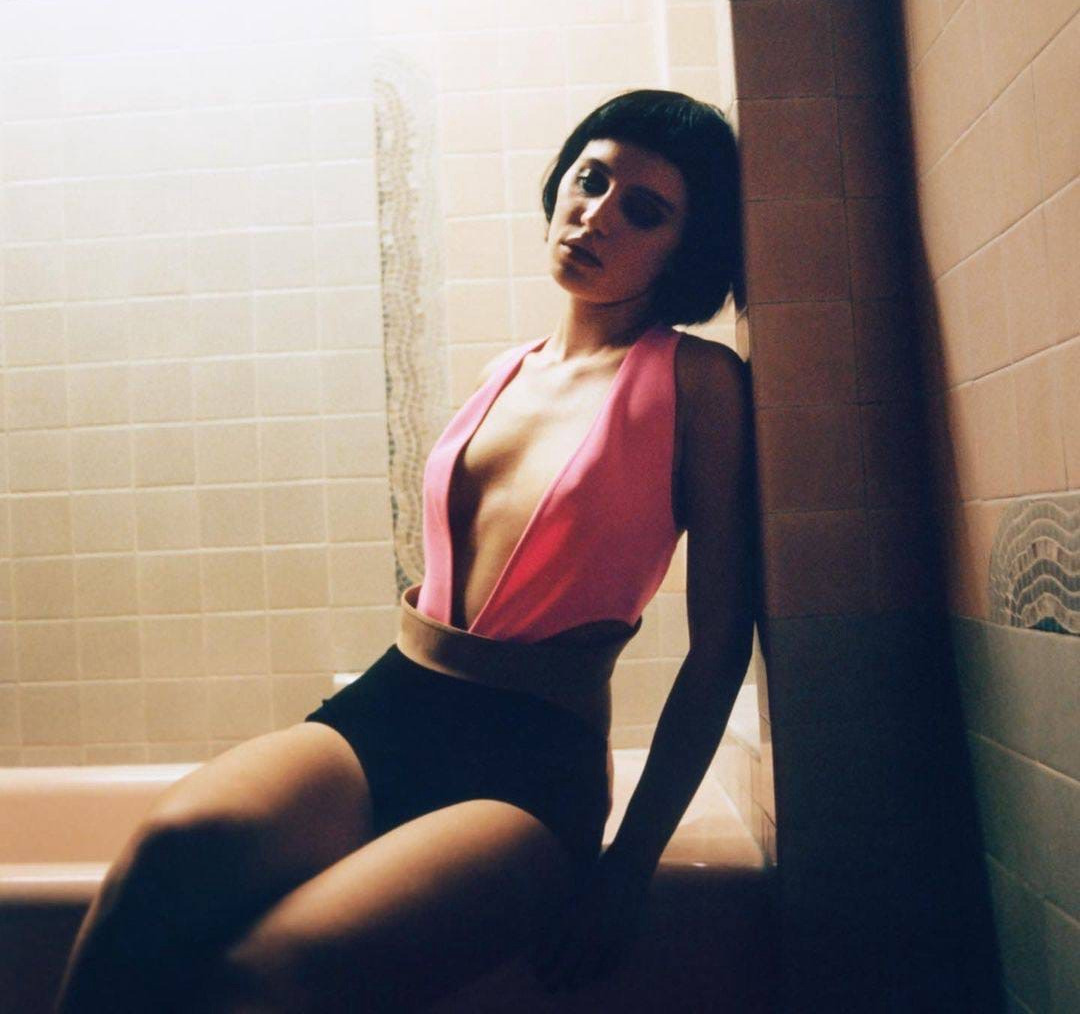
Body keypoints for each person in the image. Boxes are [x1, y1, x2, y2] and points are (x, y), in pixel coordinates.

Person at [54, 88, 758, 1013]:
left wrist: (629, 865)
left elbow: (719, 645)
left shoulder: (700, 381)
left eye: (645, 210)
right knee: (165, 854)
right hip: (392, 707)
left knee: (268, 974)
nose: (597, 214)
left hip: (531, 764)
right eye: (590, 180)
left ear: (684, 250)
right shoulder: (505, 370)